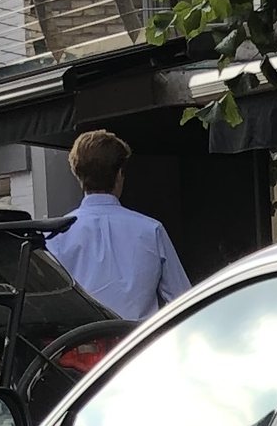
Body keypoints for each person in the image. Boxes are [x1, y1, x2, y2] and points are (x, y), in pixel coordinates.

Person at [48, 130, 190, 319]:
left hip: (81, 343)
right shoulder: (151, 230)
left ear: (78, 175)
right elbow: (182, 300)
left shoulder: (54, 236)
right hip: (140, 342)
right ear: (120, 174)